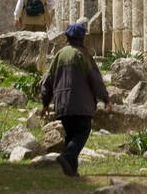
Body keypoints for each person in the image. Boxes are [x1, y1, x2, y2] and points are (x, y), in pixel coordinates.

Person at [40, 21, 109, 177]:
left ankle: (72, 170)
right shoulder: (83, 55)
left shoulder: (59, 55)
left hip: (62, 105)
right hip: (82, 106)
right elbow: (95, 80)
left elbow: (47, 82)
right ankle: (66, 156)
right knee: (82, 133)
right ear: (82, 38)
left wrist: (45, 104)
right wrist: (105, 98)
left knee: (70, 135)